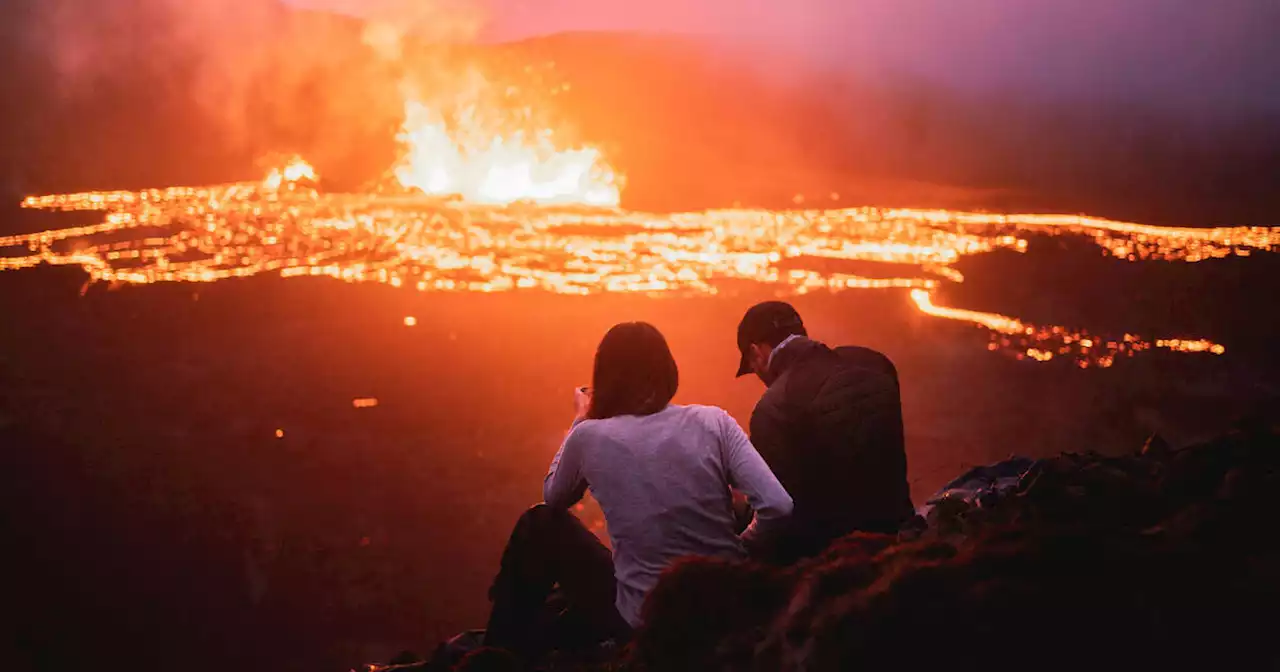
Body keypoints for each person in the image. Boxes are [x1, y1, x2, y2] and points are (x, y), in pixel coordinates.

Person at [484, 322, 793, 661]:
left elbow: (555, 497)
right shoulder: (714, 421)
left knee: (539, 523)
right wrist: (741, 545)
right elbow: (778, 506)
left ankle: (495, 655)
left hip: (643, 621)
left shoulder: (590, 436)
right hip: (725, 608)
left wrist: (581, 420)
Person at [734, 301, 914, 563]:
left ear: (755, 353)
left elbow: (778, 512)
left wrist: (742, 541)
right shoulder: (875, 364)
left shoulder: (774, 407)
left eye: (753, 367)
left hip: (833, 558)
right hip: (897, 533)